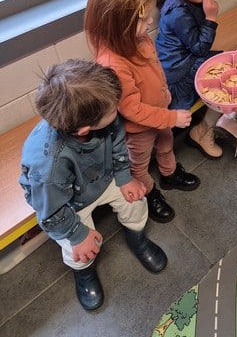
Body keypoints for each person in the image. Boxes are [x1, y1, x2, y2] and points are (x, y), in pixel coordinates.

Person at [19, 59, 168, 311]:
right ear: (84, 130)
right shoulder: (47, 168)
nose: (118, 111)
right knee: (77, 248)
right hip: (65, 204)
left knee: (136, 201)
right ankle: (84, 272)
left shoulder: (104, 116)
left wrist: (124, 177)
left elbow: (118, 145)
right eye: (114, 110)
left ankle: (137, 240)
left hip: (103, 176)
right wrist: (78, 235)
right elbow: (50, 213)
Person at [84, 0, 200, 226]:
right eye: (144, 18)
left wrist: (165, 101)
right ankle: (149, 191)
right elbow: (132, 109)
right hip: (138, 129)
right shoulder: (113, 63)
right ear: (120, 24)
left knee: (166, 143)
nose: (150, 22)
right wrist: (171, 117)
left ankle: (169, 174)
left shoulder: (138, 38)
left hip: (161, 113)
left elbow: (154, 67)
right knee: (139, 164)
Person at [155, 0, 237, 159]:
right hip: (178, 74)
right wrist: (211, 18)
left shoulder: (184, 1)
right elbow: (200, 48)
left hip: (186, 61)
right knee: (224, 70)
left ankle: (227, 119)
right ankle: (204, 131)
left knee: (231, 61)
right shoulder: (177, 13)